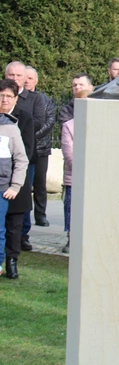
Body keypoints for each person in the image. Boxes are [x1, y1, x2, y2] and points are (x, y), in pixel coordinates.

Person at [1, 79, 34, 277]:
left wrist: (14, 182)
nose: (4, 100)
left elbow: (26, 151)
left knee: (14, 224)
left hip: (15, 179)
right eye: (1, 95)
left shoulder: (24, 117)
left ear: (15, 98)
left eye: (8, 96)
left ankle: (12, 261)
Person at [61, 88, 93, 254]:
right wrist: (85, 171)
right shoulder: (69, 126)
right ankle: (71, 239)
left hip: (95, 178)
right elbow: (69, 153)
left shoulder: (101, 123)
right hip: (74, 178)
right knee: (72, 211)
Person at [24, 66, 55, 227]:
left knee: (40, 184)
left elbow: (49, 121)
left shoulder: (44, 99)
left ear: (36, 80)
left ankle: (40, 215)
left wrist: (31, 135)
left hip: (41, 148)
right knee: (24, 184)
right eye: (25, 77)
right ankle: (25, 217)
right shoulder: (19, 99)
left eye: (30, 78)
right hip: (24, 147)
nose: (27, 81)